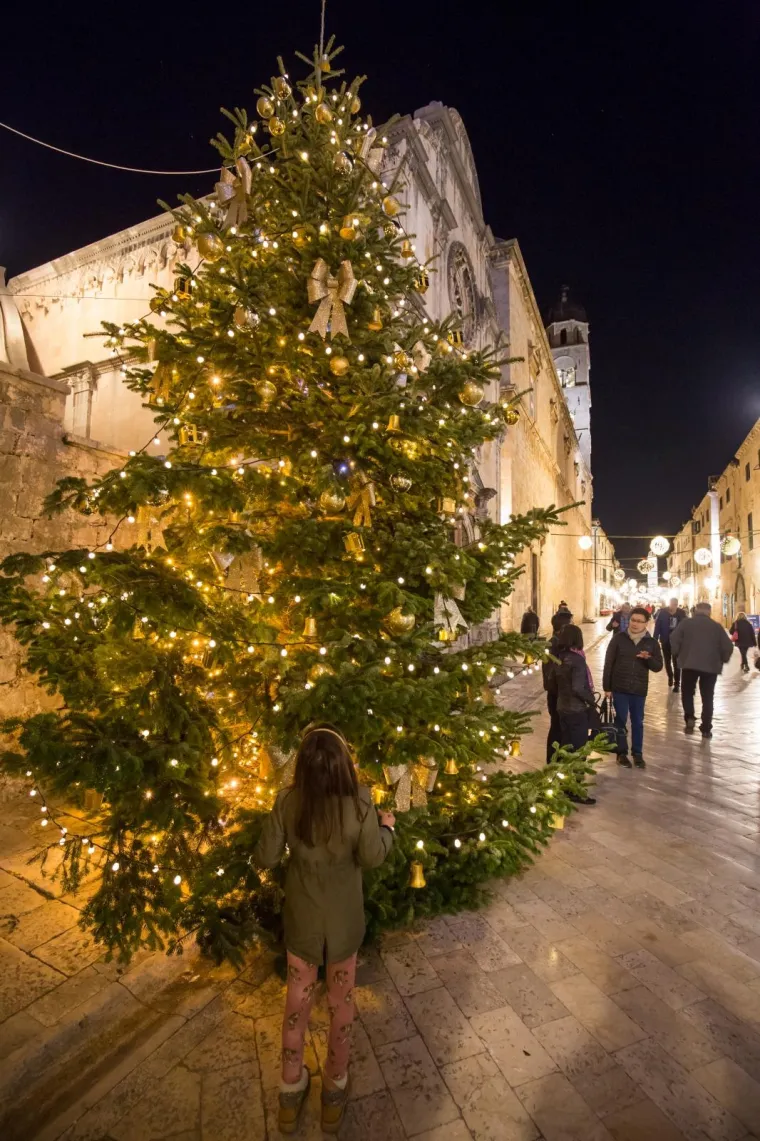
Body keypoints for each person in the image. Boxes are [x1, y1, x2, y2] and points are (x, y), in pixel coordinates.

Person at [255, 724, 395, 1133]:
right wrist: (387, 829)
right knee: (341, 1002)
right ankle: (334, 1087)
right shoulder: (361, 802)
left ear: (302, 766)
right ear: (344, 766)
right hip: (344, 926)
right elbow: (372, 857)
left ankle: (290, 1090)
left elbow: (265, 858)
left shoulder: (287, 802)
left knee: (296, 1005)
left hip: (302, 923)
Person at [603, 606, 663, 768]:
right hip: (620, 687)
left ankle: (637, 753)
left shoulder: (651, 643)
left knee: (638, 722)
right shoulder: (619, 639)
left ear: (646, 623)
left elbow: (658, 666)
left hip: (639, 689)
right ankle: (621, 753)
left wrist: (648, 659)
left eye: (639, 621)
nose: (635, 624)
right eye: (633, 620)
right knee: (620, 721)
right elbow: (608, 663)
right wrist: (607, 687)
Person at [670, 602, 734, 737]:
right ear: (709, 612)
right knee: (708, 696)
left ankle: (689, 716)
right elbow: (728, 646)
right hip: (710, 666)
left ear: (695, 611)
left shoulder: (686, 624)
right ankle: (706, 727)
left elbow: (674, 638)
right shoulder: (716, 626)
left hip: (689, 664)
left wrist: (677, 653)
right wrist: (723, 659)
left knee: (687, 692)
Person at [554, 624, 598, 805]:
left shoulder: (558, 658)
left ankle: (562, 785)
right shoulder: (577, 660)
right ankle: (575, 790)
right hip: (576, 710)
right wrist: (591, 700)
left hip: (562, 707)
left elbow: (552, 683)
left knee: (566, 748)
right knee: (579, 751)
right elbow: (578, 687)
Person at [542, 608, 573, 763]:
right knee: (556, 727)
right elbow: (550, 674)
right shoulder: (553, 645)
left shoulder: (560, 643)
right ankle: (552, 761)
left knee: (561, 728)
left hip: (561, 694)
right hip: (556, 695)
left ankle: (558, 760)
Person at [653, 597, 688, 691]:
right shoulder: (662, 612)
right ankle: (670, 676)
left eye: (675, 605)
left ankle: (677, 684)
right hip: (665, 640)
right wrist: (654, 640)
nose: (673, 606)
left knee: (676, 663)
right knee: (667, 661)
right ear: (669, 604)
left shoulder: (681, 613)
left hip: (677, 642)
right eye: (672, 604)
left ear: (677, 604)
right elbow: (657, 626)